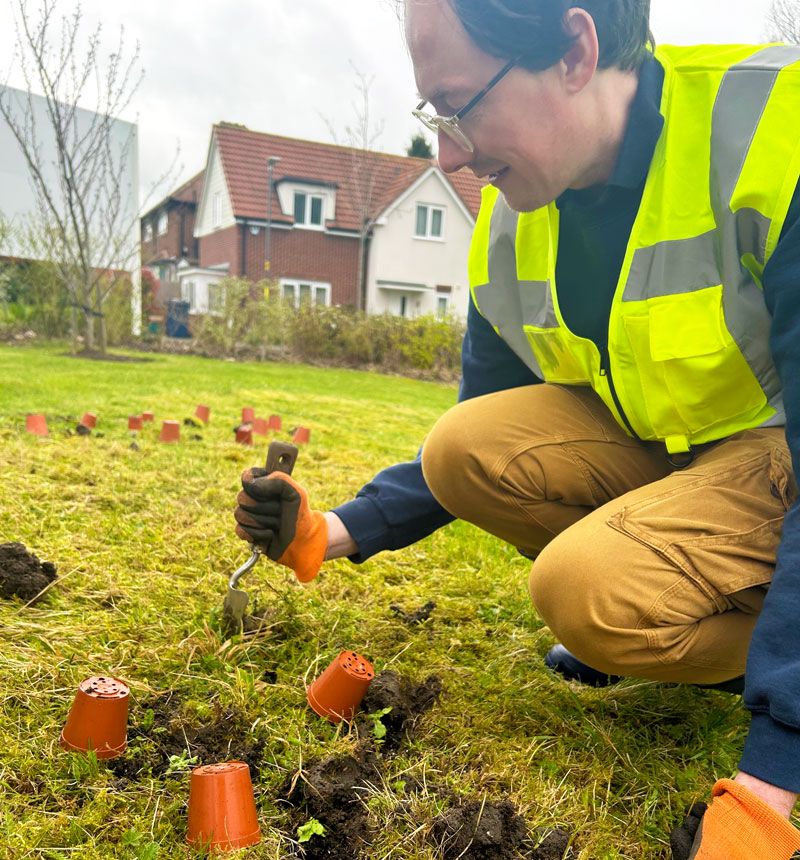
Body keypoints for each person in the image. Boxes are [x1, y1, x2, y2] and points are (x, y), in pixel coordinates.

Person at [234, 2, 800, 856]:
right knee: (466, 444)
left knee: (585, 592)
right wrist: (333, 531)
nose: (450, 153)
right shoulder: (515, 220)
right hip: (679, 452)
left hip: (778, 449)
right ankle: (667, 625)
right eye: (435, 117)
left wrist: (772, 779)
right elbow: (478, 437)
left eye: (461, 105)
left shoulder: (769, 130)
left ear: (575, 51)